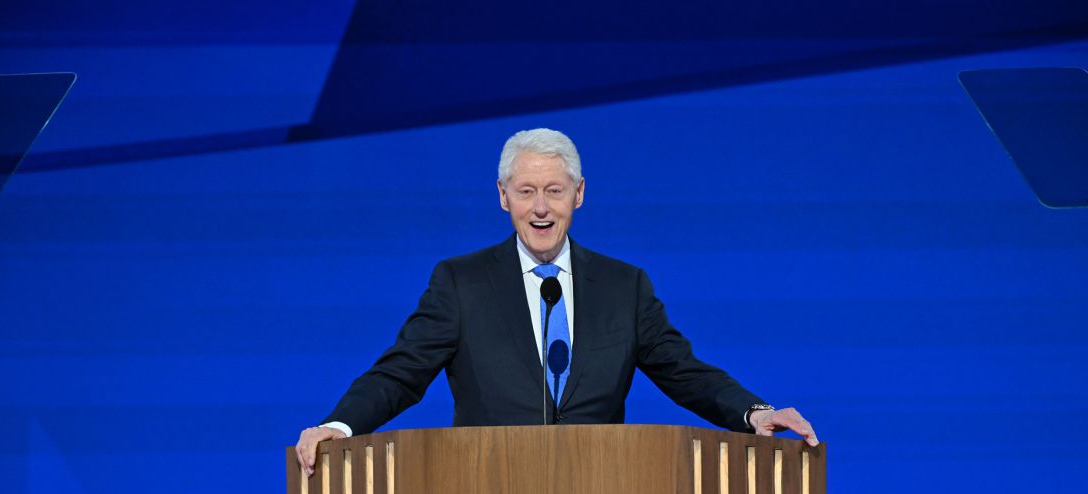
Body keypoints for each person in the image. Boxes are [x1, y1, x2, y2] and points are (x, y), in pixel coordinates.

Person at [296, 128, 816, 475]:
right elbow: (400, 373)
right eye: (525, 192)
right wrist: (338, 425)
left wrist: (754, 412)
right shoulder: (461, 282)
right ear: (502, 196)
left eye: (554, 190)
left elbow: (685, 373)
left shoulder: (623, 287)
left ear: (579, 193)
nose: (540, 208)